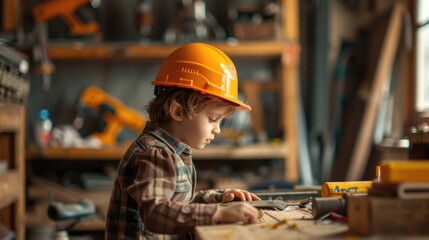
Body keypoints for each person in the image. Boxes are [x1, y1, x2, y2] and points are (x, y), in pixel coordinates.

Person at [105, 42, 261, 240]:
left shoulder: (172, 151)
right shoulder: (155, 154)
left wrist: (218, 197)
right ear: (178, 111)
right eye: (213, 119)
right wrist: (218, 214)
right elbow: (156, 212)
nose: (218, 129)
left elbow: (178, 203)